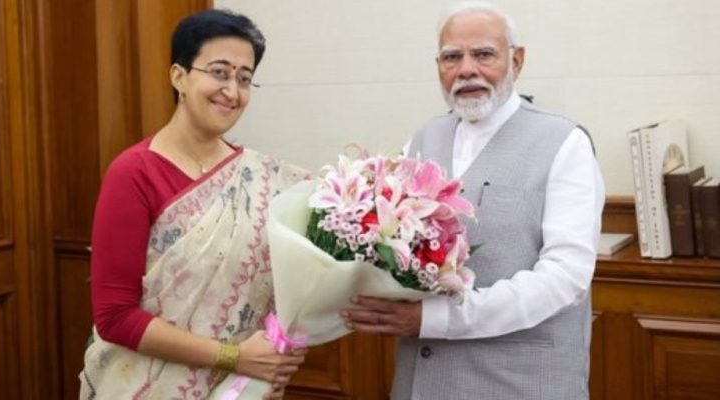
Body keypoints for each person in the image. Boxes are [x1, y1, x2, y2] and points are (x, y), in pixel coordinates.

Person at [341, 2, 605, 399]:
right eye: (452, 57)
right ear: (438, 67)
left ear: (517, 61)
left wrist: (438, 318)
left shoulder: (565, 142)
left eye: (483, 54)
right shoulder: (421, 141)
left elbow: (565, 279)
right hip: (422, 381)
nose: (466, 69)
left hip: (521, 384)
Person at [80, 10, 308, 400]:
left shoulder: (260, 177)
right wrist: (233, 357)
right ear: (179, 77)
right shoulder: (134, 173)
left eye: (244, 78)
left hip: (239, 390)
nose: (232, 91)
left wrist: (264, 365)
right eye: (219, 72)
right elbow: (115, 316)